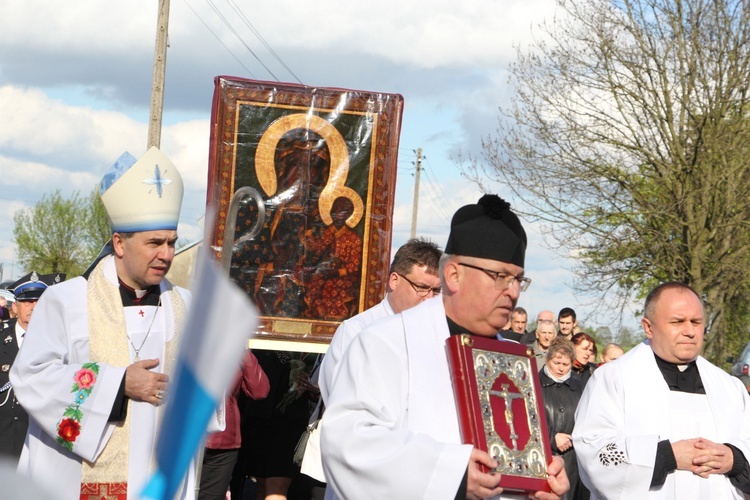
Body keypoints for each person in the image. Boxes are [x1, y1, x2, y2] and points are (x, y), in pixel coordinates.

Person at [321, 194, 569, 499]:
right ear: (453, 274)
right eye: (501, 277)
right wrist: (452, 474)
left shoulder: (514, 360)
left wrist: (543, 481)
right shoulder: (386, 342)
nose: (514, 292)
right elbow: (349, 445)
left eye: (519, 279)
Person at [10, 147, 196, 499]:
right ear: (119, 243)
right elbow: (31, 378)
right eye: (155, 243)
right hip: (76, 481)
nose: (167, 254)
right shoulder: (67, 300)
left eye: (172, 242)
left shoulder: (184, 305)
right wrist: (118, 383)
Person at [573, 282, 750, 498]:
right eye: (678, 321)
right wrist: (666, 456)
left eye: (696, 322)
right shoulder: (613, 379)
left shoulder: (729, 387)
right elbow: (594, 451)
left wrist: (735, 459)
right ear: (649, 327)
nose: (690, 331)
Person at [318, 237, 443, 401]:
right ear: (394, 281)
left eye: (436, 291)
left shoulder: (438, 336)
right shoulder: (356, 331)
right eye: (421, 288)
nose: (429, 298)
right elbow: (339, 398)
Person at [0, 272, 63, 460]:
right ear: (15, 306)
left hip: (42, 446)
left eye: (39, 301)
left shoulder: (59, 342)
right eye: (27, 302)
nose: (34, 307)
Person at [199, 350, 270, 500]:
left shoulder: (234, 349)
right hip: (187, 437)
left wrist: (243, 352)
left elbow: (260, 391)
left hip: (223, 441)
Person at [539, 337, 584, 500]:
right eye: (556, 362)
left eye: (566, 365)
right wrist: (551, 438)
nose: (561, 368)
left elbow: (587, 420)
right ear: (547, 359)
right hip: (542, 458)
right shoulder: (533, 382)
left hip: (572, 462)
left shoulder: (580, 387)